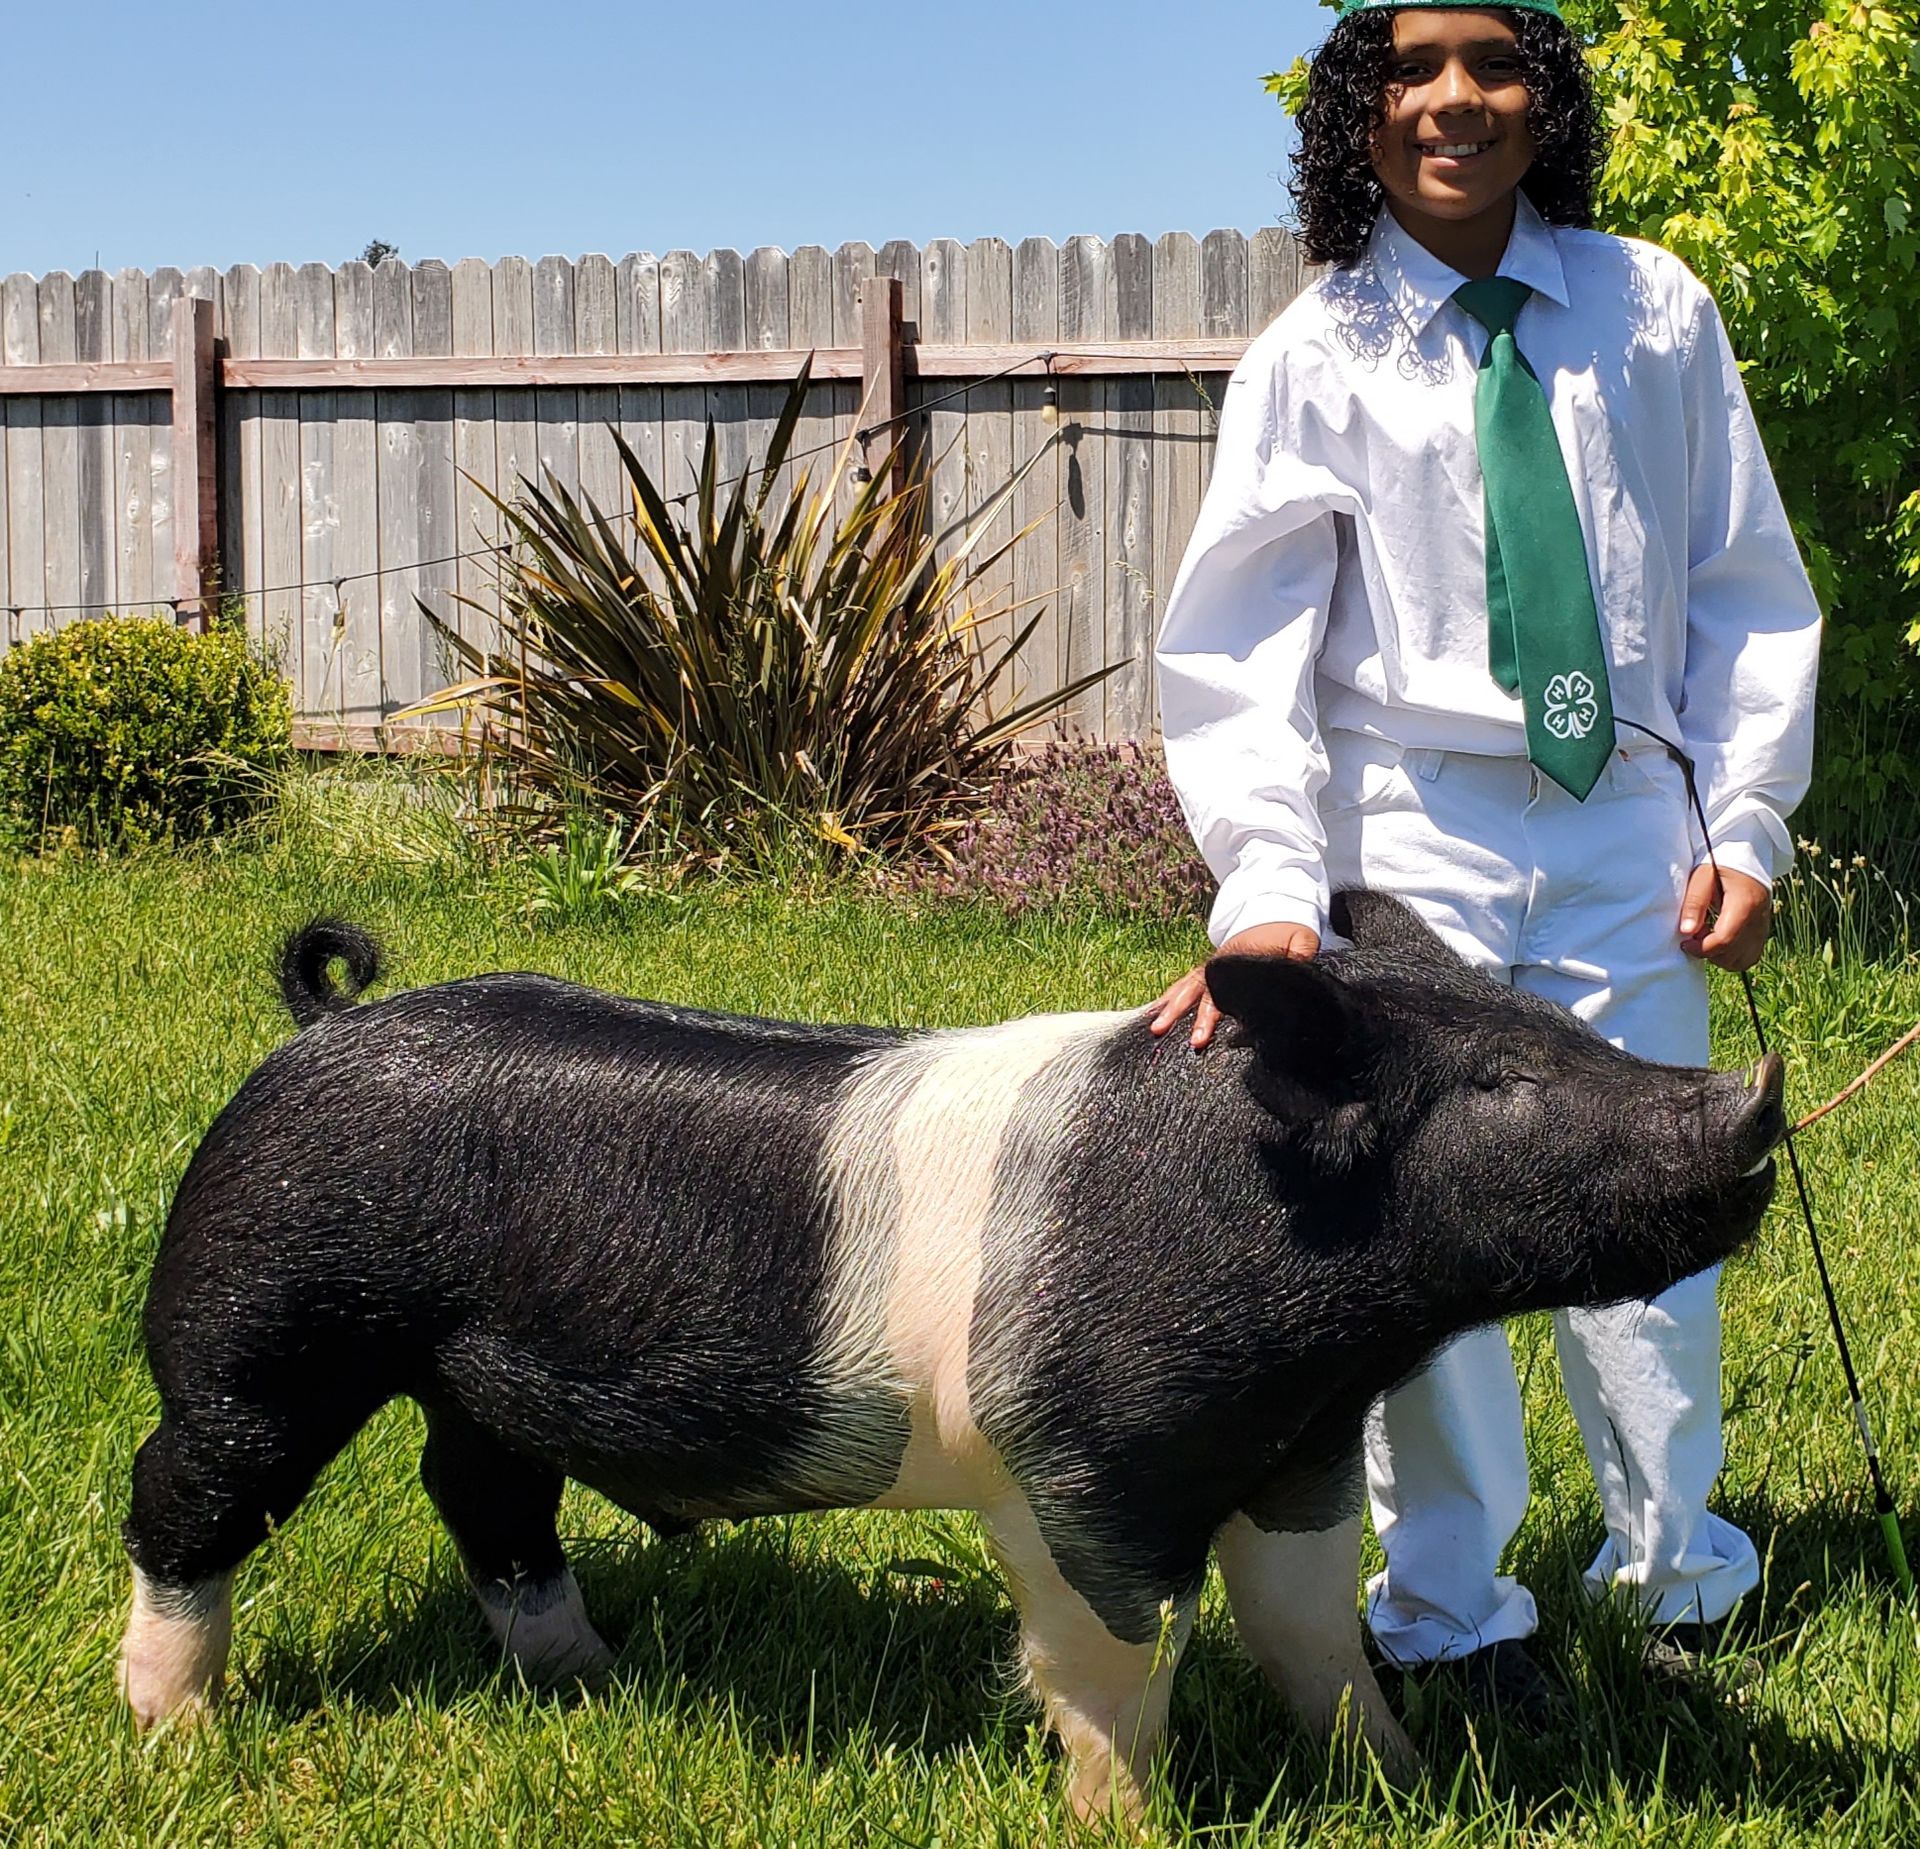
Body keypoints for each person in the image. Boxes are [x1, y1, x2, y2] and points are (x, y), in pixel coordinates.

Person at [1148, 0, 1821, 1719]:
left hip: (1625, 830)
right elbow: (1242, 653)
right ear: (1356, 112)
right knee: (1425, 1227)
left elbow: (1743, 585)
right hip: (1408, 824)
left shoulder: (1654, 311)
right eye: (1411, 68)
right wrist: (1275, 889)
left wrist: (1742, 816)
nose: (1457, 100)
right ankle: (1453, 1606)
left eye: (1496, 60)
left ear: (1549, 92)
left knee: (1657, 1183)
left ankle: (1679, 1565)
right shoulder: (1317, 354)